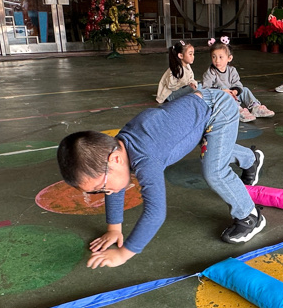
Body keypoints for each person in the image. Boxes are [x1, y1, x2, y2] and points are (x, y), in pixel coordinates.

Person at [56, 91, 268, 268]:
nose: (106, 193)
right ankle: (251, 159)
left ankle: (250, 216)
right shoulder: (118, 148)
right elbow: (114, 186)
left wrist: (123, 254)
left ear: (115, 159)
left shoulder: (146, 158)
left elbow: (155, 212)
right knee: (213, 151)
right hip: (197, 112)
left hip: (217, 110)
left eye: (101, 188)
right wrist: (114, 229)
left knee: (214, 170)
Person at [201, 37, 275, 122]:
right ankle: (237, 110)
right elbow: (206, 89)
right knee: (225, 90)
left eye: (221, 57)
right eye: (214, 57)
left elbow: (237, 84)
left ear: (229, 58)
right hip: (220, 98)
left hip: (232, 94)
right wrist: (222, 91)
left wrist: (235, 91)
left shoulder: (232, 70)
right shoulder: (210, 72)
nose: (217, 60)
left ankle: (255, 107)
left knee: (245, 90)